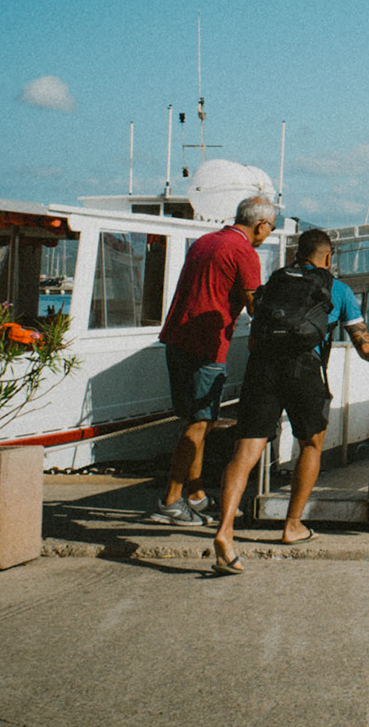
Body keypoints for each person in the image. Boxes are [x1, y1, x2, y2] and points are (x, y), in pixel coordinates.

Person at [208, 227, 369, 573]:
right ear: (328, 257)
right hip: (304, 370)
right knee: (311, 444)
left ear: (297, 254)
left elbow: (254, 338)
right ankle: (292, 526)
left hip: (262, 368)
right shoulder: (338, 290)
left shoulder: (275, 284)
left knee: (245, 451)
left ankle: (225, 530)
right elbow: (364, 347)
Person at [150, 194, 279, 526]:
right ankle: (170, 501)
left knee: (196, 422)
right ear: (261, 224)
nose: (267, 235)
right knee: (199, 423)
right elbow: (255, 306)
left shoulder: (205, 242)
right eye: (271, 228)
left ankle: (195, 495)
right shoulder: (244, 252)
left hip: (176, 337)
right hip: (207, 345)